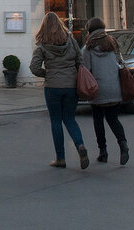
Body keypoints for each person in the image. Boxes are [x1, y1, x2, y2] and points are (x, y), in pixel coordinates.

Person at [30, 12, 89, 169]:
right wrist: (74, 74)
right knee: (70, 119)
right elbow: (80, 60)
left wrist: (47, 73)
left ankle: (60, 158)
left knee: (56, 121)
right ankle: (80, 146)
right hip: (71, 86)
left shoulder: (42, 44)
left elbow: (34, 68)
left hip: (53, 87)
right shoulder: (70, 40)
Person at [82, 17, 129, 166]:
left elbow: (86, 70)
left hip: (98, 89)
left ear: (89, 30)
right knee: (113, 119)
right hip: (114, 87)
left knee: (98, 121)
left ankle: (103, 152)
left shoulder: (87, 48)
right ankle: (123, 144)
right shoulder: (113, 43)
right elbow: (121, 63)